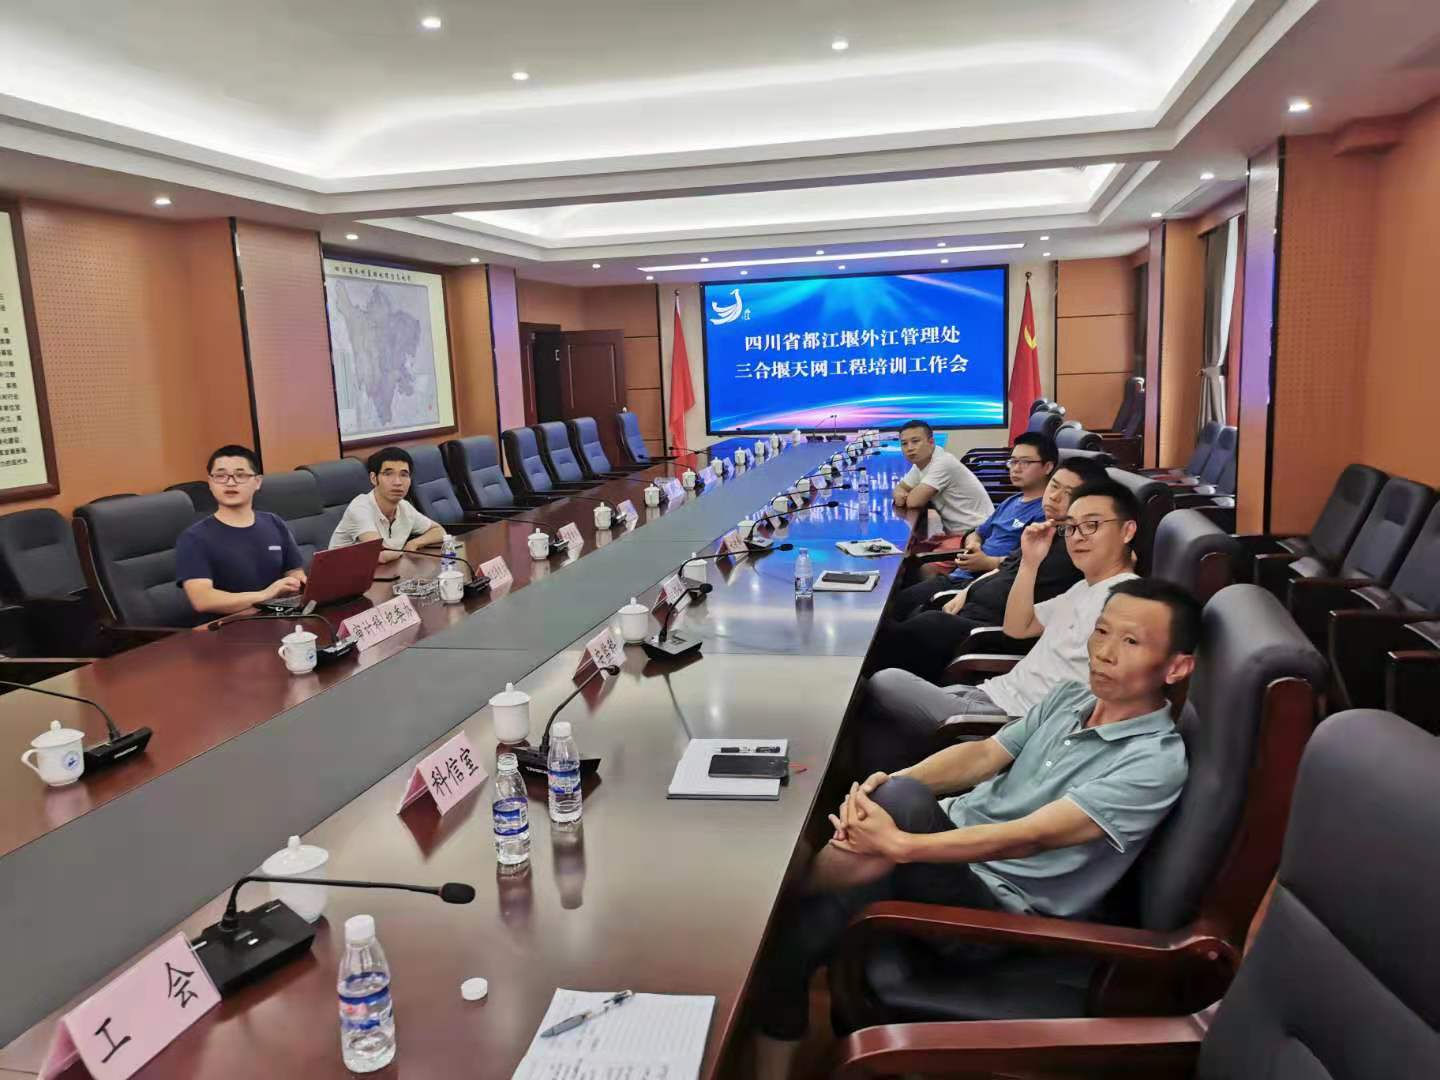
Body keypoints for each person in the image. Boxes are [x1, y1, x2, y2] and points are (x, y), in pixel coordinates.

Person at [752, 578, 1201, 1080]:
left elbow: (1031, 835)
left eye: (1131, 641)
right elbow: (985, 754)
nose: (1105, 653)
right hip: (946, 866)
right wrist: (893, 779)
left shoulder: (1153, 762)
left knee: (891, 812)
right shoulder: (1069, 698)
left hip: (996, 917)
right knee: (796, 937)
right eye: (1101, 632)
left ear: (1177, 667)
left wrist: (904, 843)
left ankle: (785, 892)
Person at [858, 477, 1142, 773]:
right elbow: (1017, 628)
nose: (1077, 537)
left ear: (1127, 531)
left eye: (1091, 525)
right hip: (991, 693)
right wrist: (1030, 562)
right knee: (872, 709)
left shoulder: (1126, 605)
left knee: (882, 682)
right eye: (1070, 527)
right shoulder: (1083, 588)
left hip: (1010, 719)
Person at [865, 456, 1108, 682]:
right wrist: (967, 591)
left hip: (991, 632)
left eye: (1069, 493)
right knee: (893, 622)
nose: (1054, 497)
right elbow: (1005, 567)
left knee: (895, 636)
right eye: (1054, 486)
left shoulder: (1079, 548)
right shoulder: (1046, 529)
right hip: (971, 608)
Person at [176, 445, 307, 616]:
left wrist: (297, 583)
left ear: (257, 482)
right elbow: (203, 600)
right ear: (210, 483)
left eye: (241, 475)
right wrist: (265, 595)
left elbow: (294, 571)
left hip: (277, 616)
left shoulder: (274, 522)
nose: (230, 482)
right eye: (220, 476)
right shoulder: (194, 537)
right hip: (229, 625)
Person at [925, 432, 1057, 582]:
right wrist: (974, 545)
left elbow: (1032, 562)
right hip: (962, 576)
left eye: (1025, 462)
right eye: (1013, 461)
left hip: (985, 583)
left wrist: (988, 563)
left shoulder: (1045, 512)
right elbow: (978, 533)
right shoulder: (1012, 501)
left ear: (1047, 467)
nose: (1016, 468)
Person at [330, 447, 445, 563]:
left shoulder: (404, 507)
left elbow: (439, 531)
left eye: (404, 475)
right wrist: (405, 552)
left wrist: (415, 543)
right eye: (388, 474)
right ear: (373, 478)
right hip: (341, 572)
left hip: (385, 571)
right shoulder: (360, 508)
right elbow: (380, 554)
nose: (397, 482)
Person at [891, 419, 994, 535]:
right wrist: (899, 493)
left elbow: (913, 502)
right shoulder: (922, 462)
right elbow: (900, 488)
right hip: (962, 532)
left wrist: (904, 496)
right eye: (904, 443)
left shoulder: (943, 463)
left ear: (931, 442)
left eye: (915, 441)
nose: (909, 448)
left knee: (915, 541)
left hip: (978, 533)